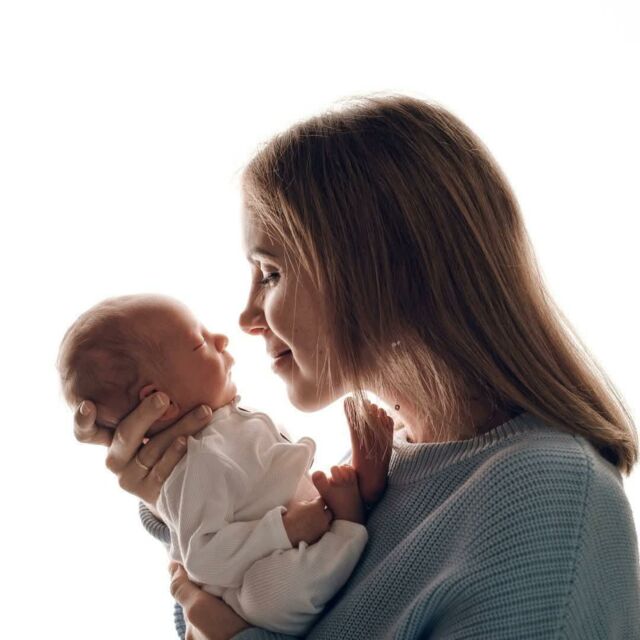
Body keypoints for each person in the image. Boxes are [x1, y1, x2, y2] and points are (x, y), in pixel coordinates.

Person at [72, 95, 640, 639]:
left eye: (271, 273)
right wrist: (175, 492)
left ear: (384, 271)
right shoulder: (375, 465)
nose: (247, 317)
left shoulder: (546, 498)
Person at [58, 294, 393, 635]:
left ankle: (353, 498)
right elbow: (204, 558)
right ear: (161, 402)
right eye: (200, 342)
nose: (222, 339)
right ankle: (349, 520)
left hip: (295, 535)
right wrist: (286, 529)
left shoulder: (232, 423)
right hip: (261, 585)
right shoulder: (196, 462)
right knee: (269, 597)